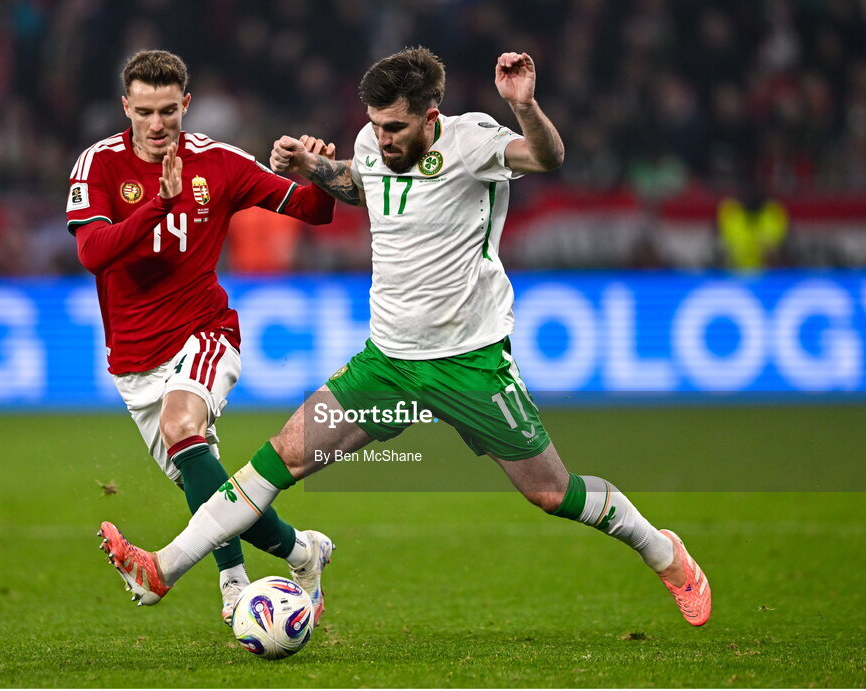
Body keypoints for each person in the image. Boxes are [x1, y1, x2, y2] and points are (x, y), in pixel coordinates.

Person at [99, 47, 712, 628]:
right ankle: (163, 570)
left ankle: (663, 552)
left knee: (553, 493)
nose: (381, 138)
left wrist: (523, 104)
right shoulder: (373, 143)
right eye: (374, 125)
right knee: (279, 458)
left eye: (394, 127)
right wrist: (313, 169)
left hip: (469, 363)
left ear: (429, 116)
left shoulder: (474, 142)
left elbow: (547, 158)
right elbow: (361, 184)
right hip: (387, 362)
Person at [66, 49, 337, 625]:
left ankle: (230, 588)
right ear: (126, 107)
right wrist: (157, 207)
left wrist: (316, 171)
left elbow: (316, 212)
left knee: (182, 425)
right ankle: (303, 552)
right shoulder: (99, 165)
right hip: (134, 362)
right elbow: (93, 253)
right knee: (204, 479)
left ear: (186, 103)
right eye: (144, 112)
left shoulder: (220, 163)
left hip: (204, 332)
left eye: (168, 110)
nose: (158, 124)